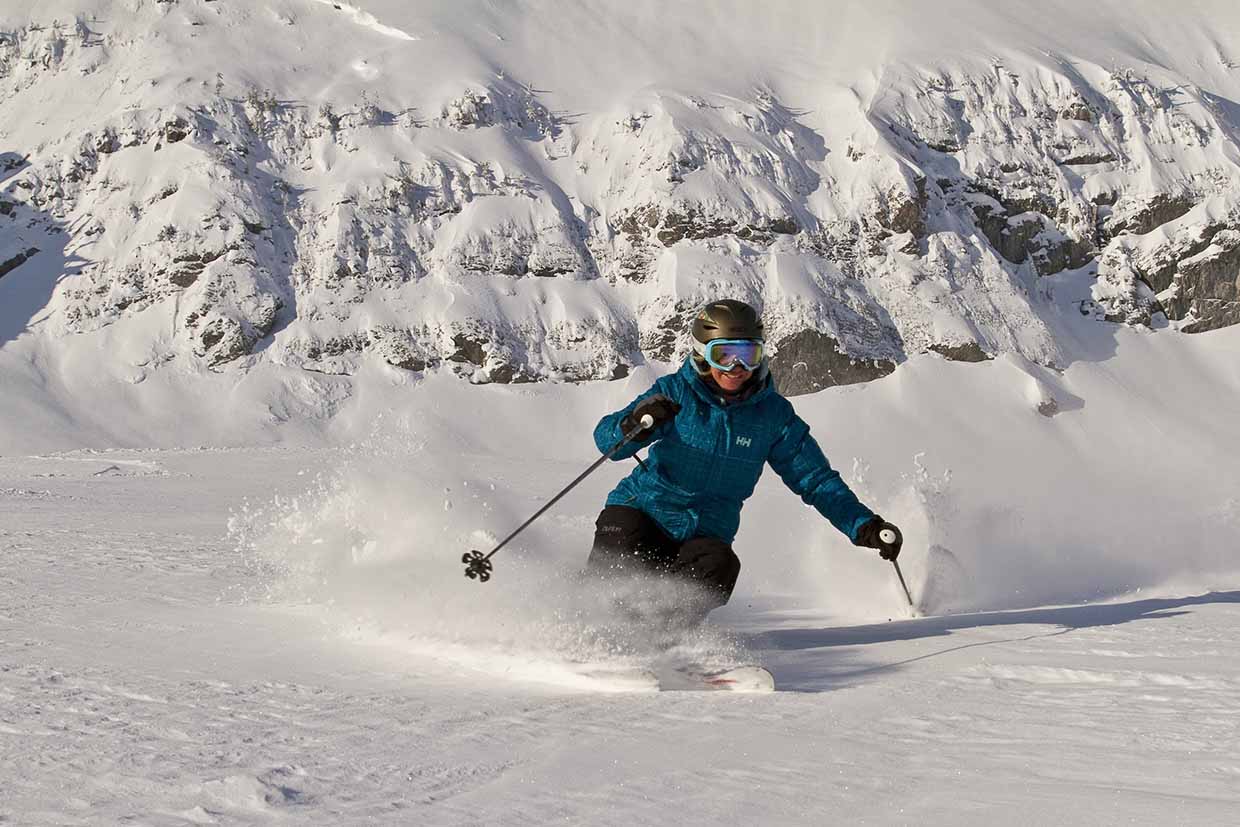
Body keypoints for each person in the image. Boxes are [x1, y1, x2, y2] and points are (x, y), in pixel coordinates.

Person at [586, 299, 902, 625]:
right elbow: (607, 443)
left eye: (748, 354)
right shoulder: (675, 393)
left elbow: (816, 480)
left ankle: (659, 637)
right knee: (622, 547)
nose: (736, 367)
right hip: (643, 513)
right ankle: (591, 624)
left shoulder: (773, 416)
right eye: (724, 355)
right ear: (702, 354)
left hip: (703, 535)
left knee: (719, 566)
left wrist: (864, 525)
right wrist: (634, 424)